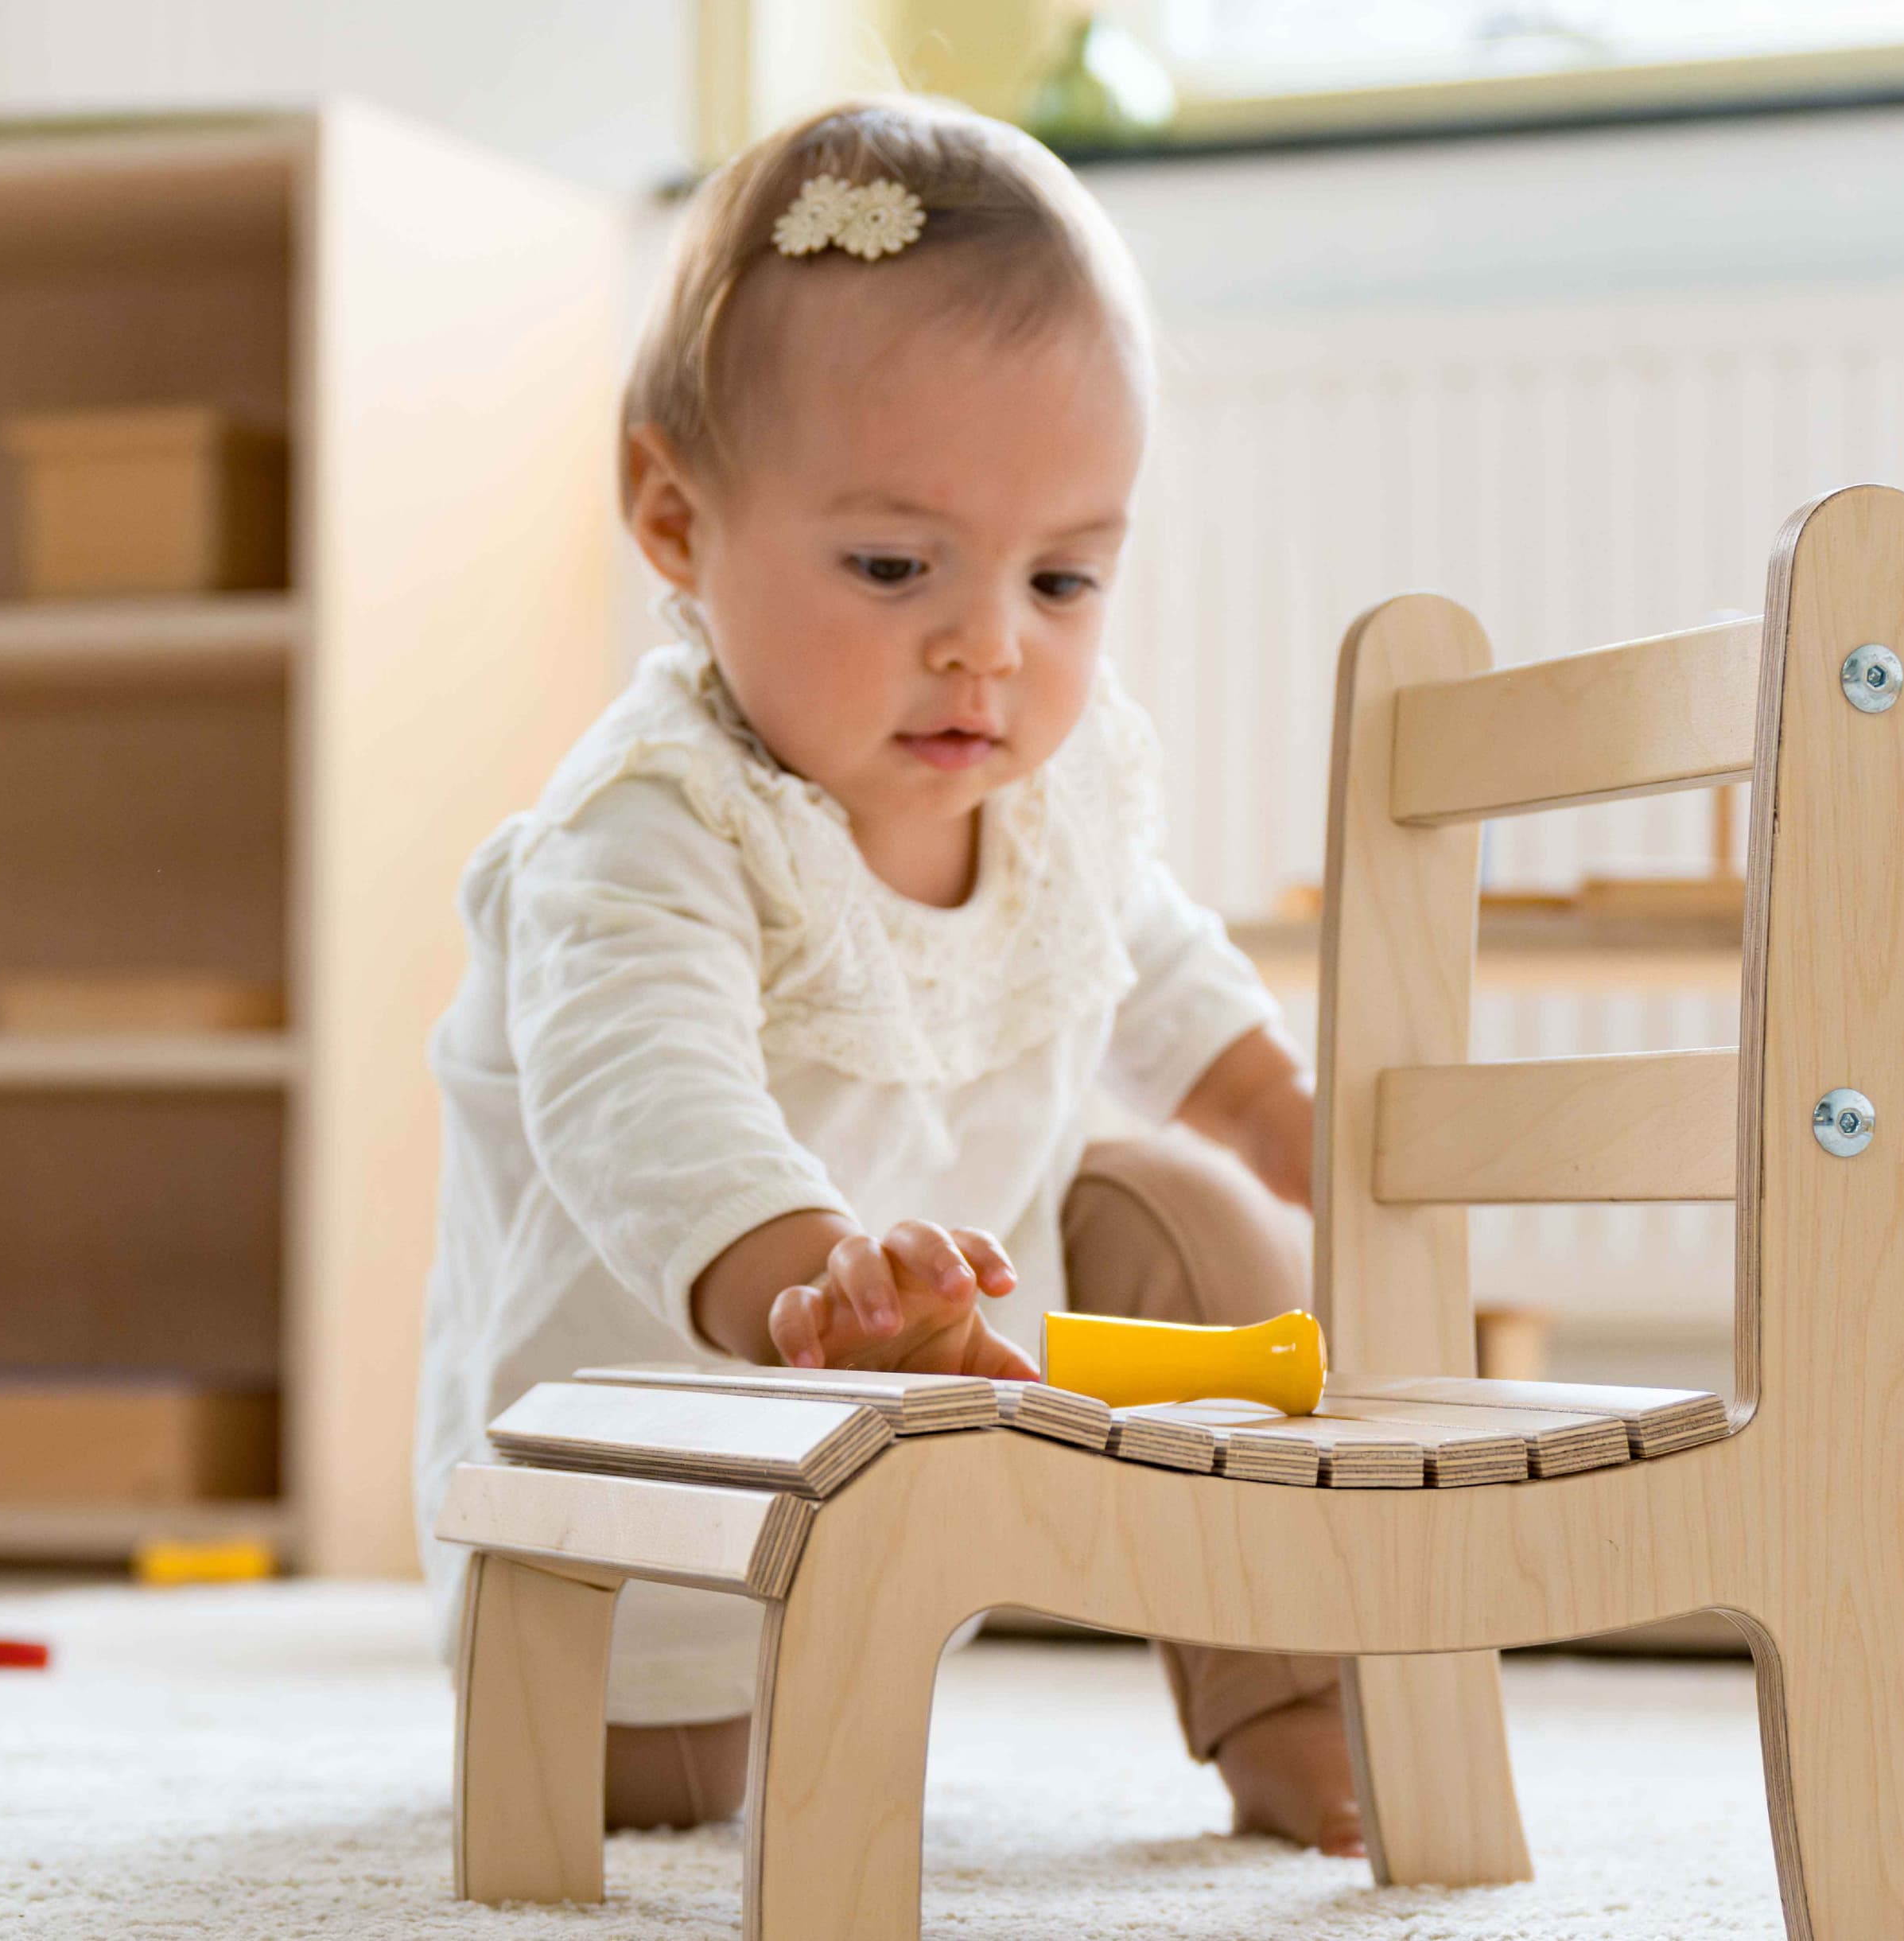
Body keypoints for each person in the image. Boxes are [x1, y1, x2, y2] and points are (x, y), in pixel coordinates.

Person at [410, 95, 1359, 1854]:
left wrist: (1291, 1115)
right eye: (893, 564)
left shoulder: (1049, 794)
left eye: (1064, 576)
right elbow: (648, 1101)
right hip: (656, 1511)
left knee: (1197, 1218)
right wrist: (816, 1281)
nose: (988, 643)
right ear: (676, 520)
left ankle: (1290, 1697)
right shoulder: (648, 823)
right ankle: (611, 1686)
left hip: (941, 1401)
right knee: (667, 1787)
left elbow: (1158, 969)